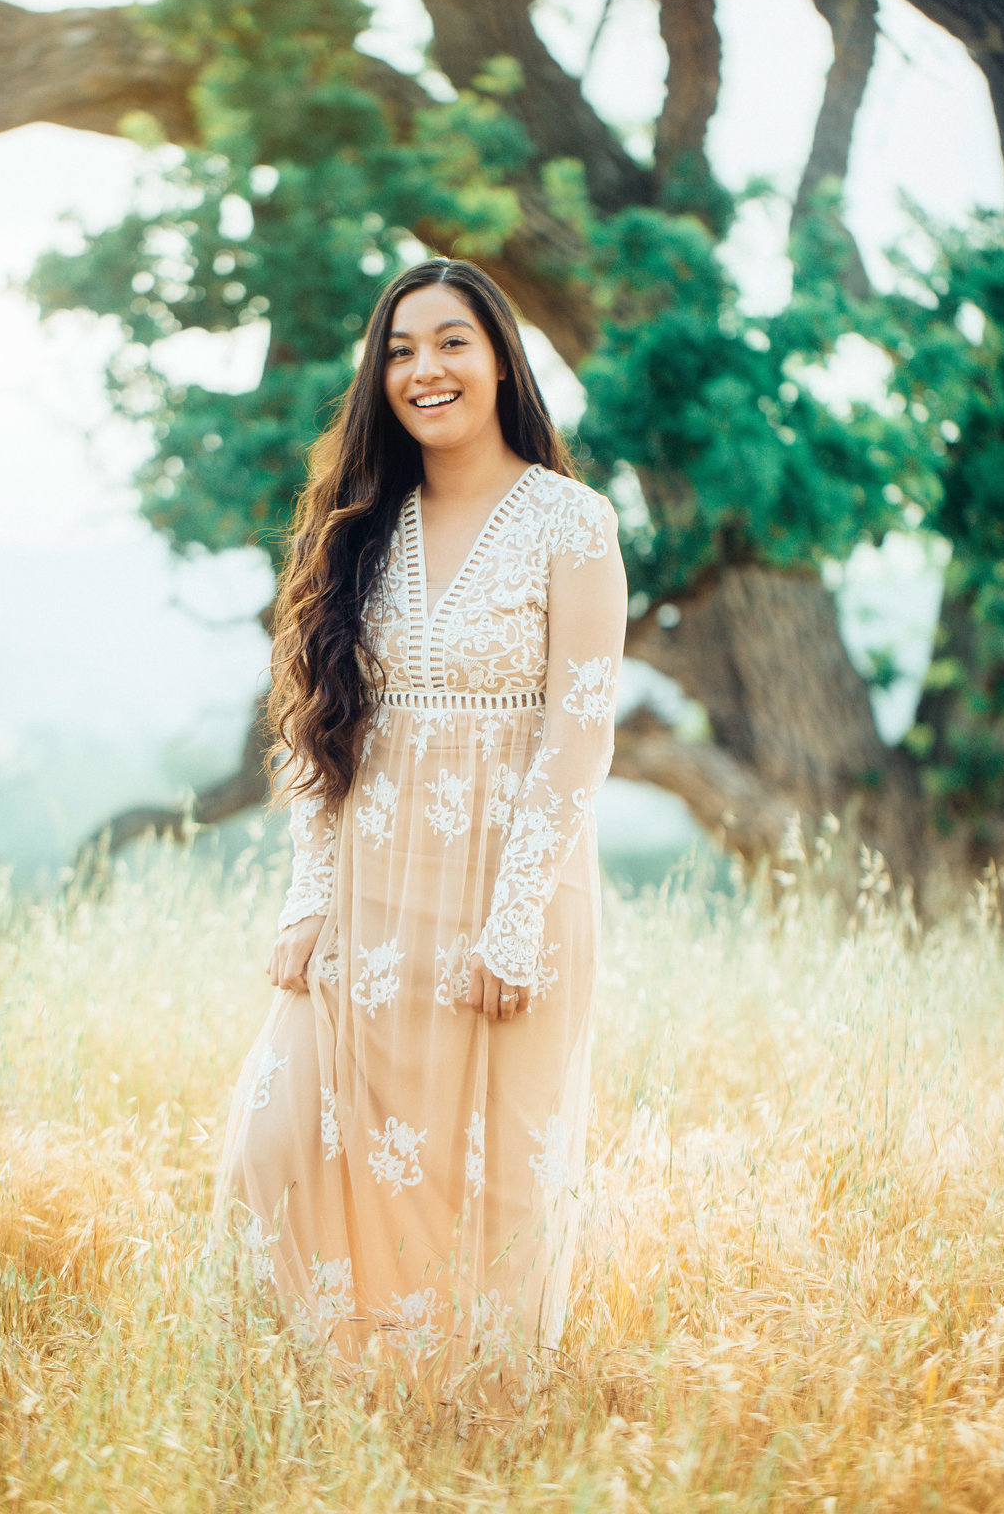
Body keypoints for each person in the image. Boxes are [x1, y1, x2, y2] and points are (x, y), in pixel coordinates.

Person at [213, 257, 628, 1396]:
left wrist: (513, 922)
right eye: (399, 350)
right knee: (277, 1143)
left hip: (515, 897)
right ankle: (310, 1400)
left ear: (500, 356)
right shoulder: (361, 523)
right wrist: (309, 893)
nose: (423, 369)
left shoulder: (572, 523)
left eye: (450, 342)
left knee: (486, 1175)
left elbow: (578, 735)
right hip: (371, 895)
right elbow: (317, 728)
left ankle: (464, 1429)